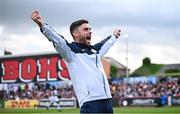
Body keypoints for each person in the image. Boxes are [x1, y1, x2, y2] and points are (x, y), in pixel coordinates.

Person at [31, 10, 121, 113]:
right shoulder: (70, 51)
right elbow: (58, 39)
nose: (90, 31)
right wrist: (42, 24)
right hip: (90, 103)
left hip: (107, 102)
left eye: (90, 29)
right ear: (76, 34)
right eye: (86, 29)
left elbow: (105, 43)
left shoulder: (94, 51)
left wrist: (114, 36)